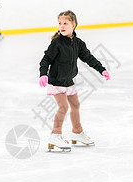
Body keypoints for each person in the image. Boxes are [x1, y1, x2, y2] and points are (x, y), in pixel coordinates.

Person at [39, 10, 110, 151]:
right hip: (56, 81)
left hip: (68, 81)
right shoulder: (57, 43)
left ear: (73, 24)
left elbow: (89, 58)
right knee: (63, 107)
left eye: (65, 23)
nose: (62, 26)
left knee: (75, 105)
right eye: (60, 23)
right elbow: (46, 59)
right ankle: (55, 134)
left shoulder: (78, 43)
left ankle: (77, 132)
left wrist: (101, 69)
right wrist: (43, 74)